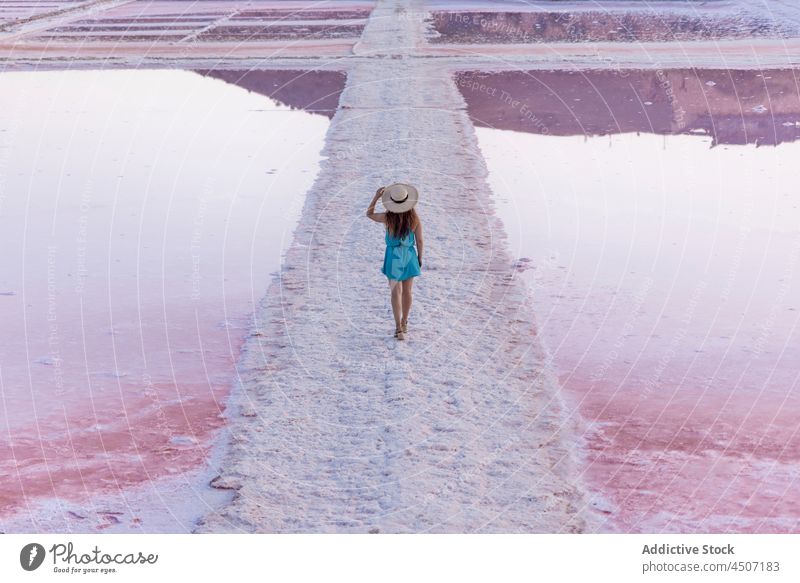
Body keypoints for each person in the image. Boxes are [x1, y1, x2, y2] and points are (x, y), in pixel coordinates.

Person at [366, 183, 424, 340]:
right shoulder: (414, 218)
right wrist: (419, 257)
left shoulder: (388, 217)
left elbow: (369, 214)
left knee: (395, 292)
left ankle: (398, 328)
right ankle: (405, 322)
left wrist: (376, 197)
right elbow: (419, 240)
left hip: (393, 257)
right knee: (407, 291)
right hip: (409, 255)